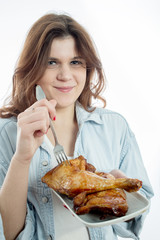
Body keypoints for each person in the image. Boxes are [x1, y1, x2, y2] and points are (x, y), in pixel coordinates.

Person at [0, 13, 153, 240]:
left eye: (75, 62)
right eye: (52, 62)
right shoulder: (8, 133)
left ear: (87, 68)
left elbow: (135, 219)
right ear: (33, 68)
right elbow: (10, 232)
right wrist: (22, 158)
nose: (65, 75)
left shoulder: (114, 127)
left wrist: (118, 192)